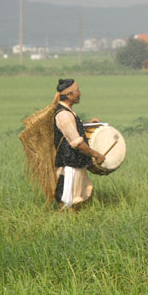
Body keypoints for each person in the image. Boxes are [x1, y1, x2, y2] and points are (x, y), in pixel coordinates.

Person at [53, 79, 105, 210]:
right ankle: (64, 225)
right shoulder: (64, 115)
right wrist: (96, 154)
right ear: (69, 95)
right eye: (77, 90)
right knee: (71, 201)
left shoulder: (68, 112)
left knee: (80, 196)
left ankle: (72, 223)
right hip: (70, 165)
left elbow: (73, 130)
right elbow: (77, 143)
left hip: (74, 163)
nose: (80, 93)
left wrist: (87, 124)